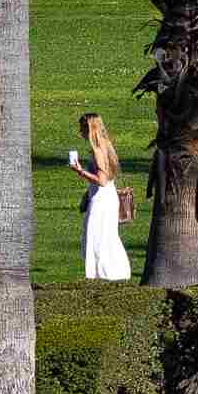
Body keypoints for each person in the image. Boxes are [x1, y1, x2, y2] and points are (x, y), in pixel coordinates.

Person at [67, 111, 131, 283]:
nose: (80, 131)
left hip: (102, 200)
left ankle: (105, 274)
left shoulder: (97, 150)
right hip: (105, 196)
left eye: (82, 127)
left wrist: (80, 171)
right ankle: (111, 273)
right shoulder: (105, 145)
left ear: (90, 128)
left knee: (97, 237)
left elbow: (102, 180)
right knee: (105, 236)